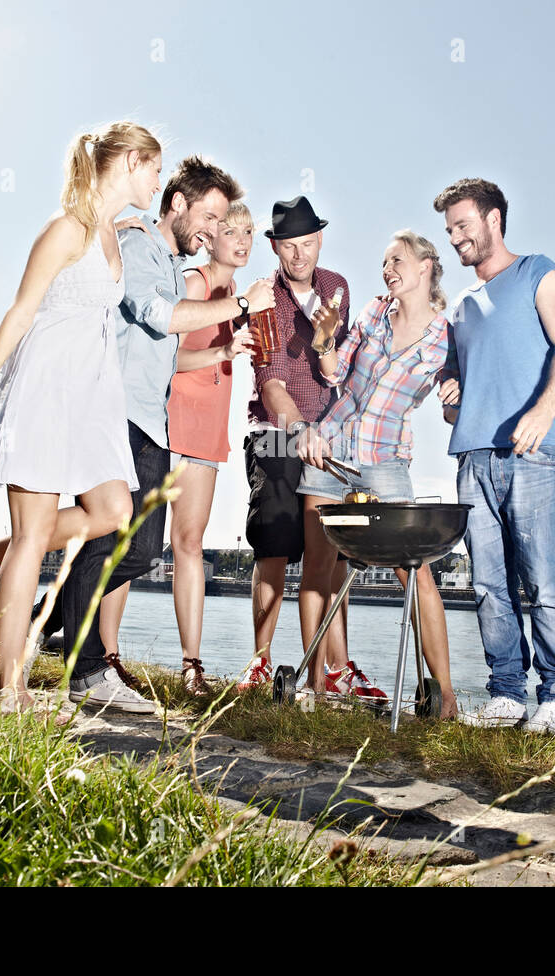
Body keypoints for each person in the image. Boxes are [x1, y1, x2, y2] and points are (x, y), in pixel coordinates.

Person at [0, 122, 160, 712]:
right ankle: (7, 687)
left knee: (113, 510)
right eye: (155, 167)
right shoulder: (66, 232)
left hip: (89, 404)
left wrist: (121, 224)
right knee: (33, 537)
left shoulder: (110, 233)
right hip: (41, 392)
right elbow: (20, 313)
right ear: (131, 161)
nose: (159, 179)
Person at [37, 155, 269, 712]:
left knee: (137, 549)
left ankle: (43, 619)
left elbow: (171, 349)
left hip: (147, 419)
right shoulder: (142, 246)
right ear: (178, 204)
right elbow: (153, 313)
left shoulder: (166, 261)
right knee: (124, 541)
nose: (212, 231)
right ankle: (86, 668)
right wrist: (239, 304)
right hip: (116, 412)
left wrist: (221, 347)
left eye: (222, 222)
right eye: (208, 218)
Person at [433, 178, 555, 731]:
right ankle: (507, 694)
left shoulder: (539, 272)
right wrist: (451, 392)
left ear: (494, 219)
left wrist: (543, 412)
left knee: (544, 581)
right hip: (474, 458)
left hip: (535, 455)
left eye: (462, 225)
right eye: (449, 230)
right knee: (489, 585)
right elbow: (456, 387)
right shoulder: (460, 309)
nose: (455, 238)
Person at [298, 230, 460, 718]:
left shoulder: (446, 337)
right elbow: (333, 373)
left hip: (386, 462)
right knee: (319, 570)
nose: (387, 269)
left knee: (415, 575)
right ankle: (315, 689)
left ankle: (445, 697)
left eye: (396, 260)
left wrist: (455, 399)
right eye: (384, 262)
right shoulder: (371, 312)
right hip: (332, 452)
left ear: (426, 265)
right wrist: (323, 336)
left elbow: (453, 404)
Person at [236, 196, 385, 702]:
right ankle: (260, 660)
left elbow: (338, 365)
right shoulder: (262, 298)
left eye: (307, 243)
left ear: (319, 239)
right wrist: (299, 429)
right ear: (274, 246)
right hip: (277, 433)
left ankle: (336, 669)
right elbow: (270, 378)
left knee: (334, 553)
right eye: (288, 246)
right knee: (276, 546)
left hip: (333, 436)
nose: (298, 255)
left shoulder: (337, 288)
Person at [165, 201, 257, 693]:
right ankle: (104, 653)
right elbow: (167, 355)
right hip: (171, 423)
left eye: (249, 232)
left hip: (208, 429)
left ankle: (191, 665)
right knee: (127, 541)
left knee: (189, 544)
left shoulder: (237, 292)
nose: (242, 241)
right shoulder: (196, 283)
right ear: (212, 236)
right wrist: (222, 350)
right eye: (232, 231)